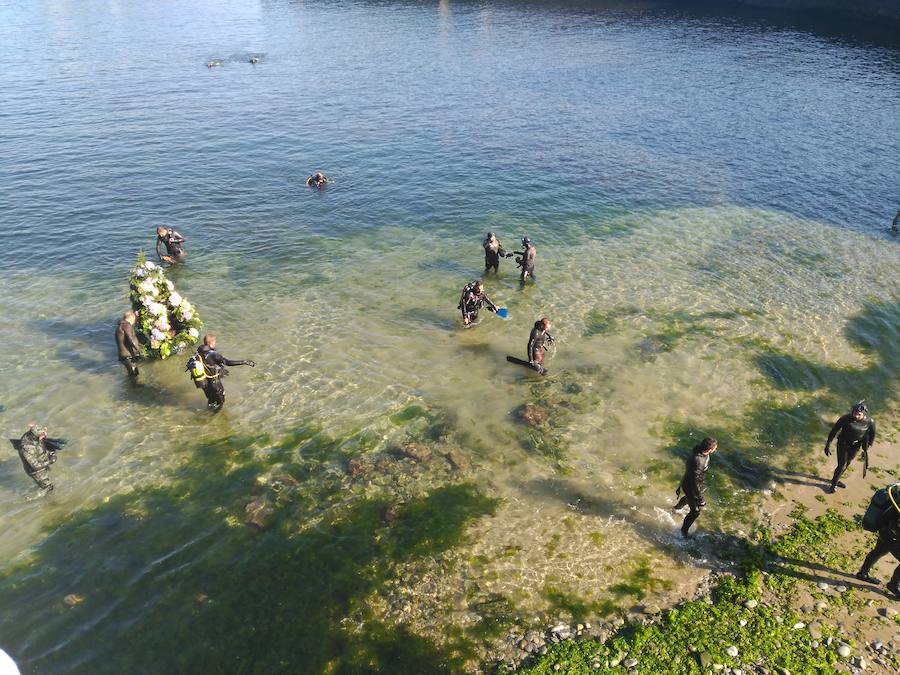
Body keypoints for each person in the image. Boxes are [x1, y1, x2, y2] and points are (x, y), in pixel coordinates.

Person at [855, 484, 900, 597]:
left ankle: (863, 573)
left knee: (879, 551)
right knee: (880, 551)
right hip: (892, 534)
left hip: (885, 530)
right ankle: (893, 585)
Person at [191, 334, 255, 411]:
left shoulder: (198, 352)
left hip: (204, 383)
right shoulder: (213, 354)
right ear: (211, 343)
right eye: (215, 342)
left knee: (211, 400)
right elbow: (228, 362)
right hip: (214, 383)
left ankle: (207, 415)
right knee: (220, 402)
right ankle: (214, 419)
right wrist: (244, 362)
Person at [824, 401, 876, 493]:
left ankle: (835, 479)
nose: (856, 416)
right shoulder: (845, 418)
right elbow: (834, 430)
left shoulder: (870, 421)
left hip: (856, 445)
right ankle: (834, 484)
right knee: (842, 465)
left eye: (858, 414)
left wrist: (867, 448)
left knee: (848, 463)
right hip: (843, 443)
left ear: (863, 414)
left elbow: (872, 435)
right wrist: (828, 444)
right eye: (854, 413)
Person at [673, 437, 718, 538]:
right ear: (710, 449)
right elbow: (694, 482)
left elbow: (693, 475)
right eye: (715, 448)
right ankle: (683, 532)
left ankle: (676, 509)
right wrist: (701, 499)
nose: (716, 449)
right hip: (691, 486)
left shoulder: (699, 452)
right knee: (695, 512)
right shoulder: (698, 461)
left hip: (692, 483)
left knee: (688, 498)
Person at [12, 424, 66, 493]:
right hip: (36, 472)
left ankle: (40, 486)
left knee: (44, 484)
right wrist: (50, 461)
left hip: (40, 461)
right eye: (41, 436)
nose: (43, 437)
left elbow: (39, 442)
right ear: (34, 436)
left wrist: (50, 453)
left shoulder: (30, 435)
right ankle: (49, 501)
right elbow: (35, 466)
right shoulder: (27, 449)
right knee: (49, 488)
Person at [115, 310, 142, 377]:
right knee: (134, 374)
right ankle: (134, 387)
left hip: (124, 356)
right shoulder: (126, 325)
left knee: (132, 374)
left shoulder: (120, 326)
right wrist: (139, 351)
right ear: (131, 318)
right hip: (128, 356)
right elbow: (131, 339)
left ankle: (130, 386)